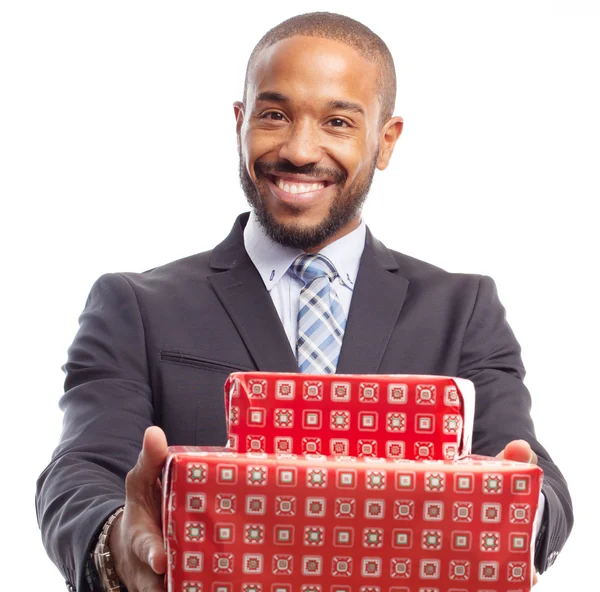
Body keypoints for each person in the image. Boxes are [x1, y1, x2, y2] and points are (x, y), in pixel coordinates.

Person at [36, 11, 573, 592]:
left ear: (385, 141)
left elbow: (535, 478)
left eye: (338, 121)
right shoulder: (133, 305)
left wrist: (515, 508)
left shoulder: (464, 308)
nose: (299, 149)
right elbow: (81, 471)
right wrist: (118, 541)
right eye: (274, 115)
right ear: (239, 123)